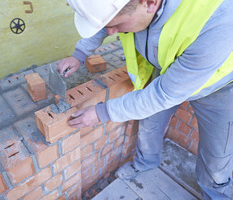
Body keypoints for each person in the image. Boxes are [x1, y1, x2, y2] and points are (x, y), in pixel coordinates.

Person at [57, 0, 233, 199]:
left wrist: (102, 112)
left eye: (118, 26)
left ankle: (215, 193)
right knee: (149, 125)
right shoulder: (129, 8)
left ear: (150, 3)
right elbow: (108, 22)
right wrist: (79, 54)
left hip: (218, 88)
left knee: (217, 155)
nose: (112, 32)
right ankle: (145, 163)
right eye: (109, 26)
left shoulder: (219, 17)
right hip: (166, 71)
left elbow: (163, 95)